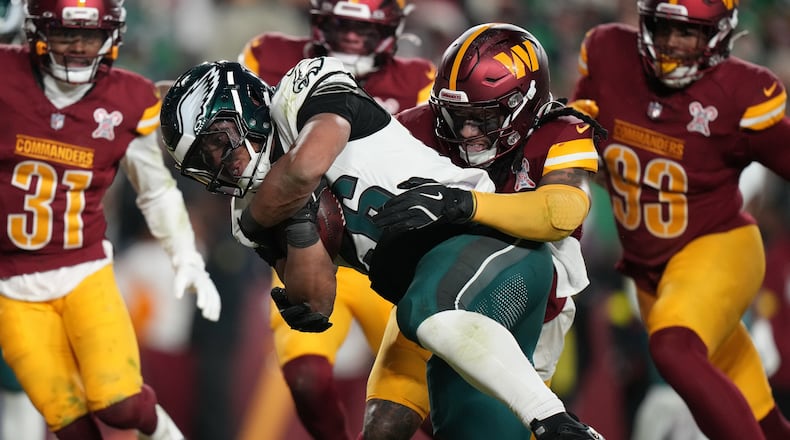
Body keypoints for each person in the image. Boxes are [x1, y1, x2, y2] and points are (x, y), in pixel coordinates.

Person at [160, 47, 601, 440]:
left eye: (218, 142)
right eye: (203, 161)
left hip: (492, 244)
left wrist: (268, 215)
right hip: (425, 283)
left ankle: (561, 426)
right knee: (387, 426)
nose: (221, 163)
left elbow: (305, 166)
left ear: (246, 109)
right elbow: (317, 301)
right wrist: (298, 222)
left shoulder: (302, 90)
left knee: (424, 312)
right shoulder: (247, 212)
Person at [0, 1, 222, 439]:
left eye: (91, 35)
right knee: (66, 420)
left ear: (113, 36)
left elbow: (155, 189)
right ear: (38, 33)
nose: (79, 48)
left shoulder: (128, 98)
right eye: (66, 34)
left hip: (83, 270)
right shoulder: (7, 76)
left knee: (120, 403)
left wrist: (185, 257)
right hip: (9, 284)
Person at [571, 0, 790, 438]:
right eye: (663, 27)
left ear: (720, 34)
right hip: (652, 272)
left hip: (717, 247)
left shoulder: (740, 91)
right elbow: (571, 142)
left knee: (673, 349)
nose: (672, 42)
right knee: (757, 411)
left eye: (688, 32)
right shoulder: (609, 54)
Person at [237, 1, 436, 437]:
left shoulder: (419, 80)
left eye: (363, 31)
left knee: (431, 401)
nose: (350, 39)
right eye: (342, 26)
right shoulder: (268, 57)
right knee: (306, 379)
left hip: (386, 257)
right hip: (306, 245)